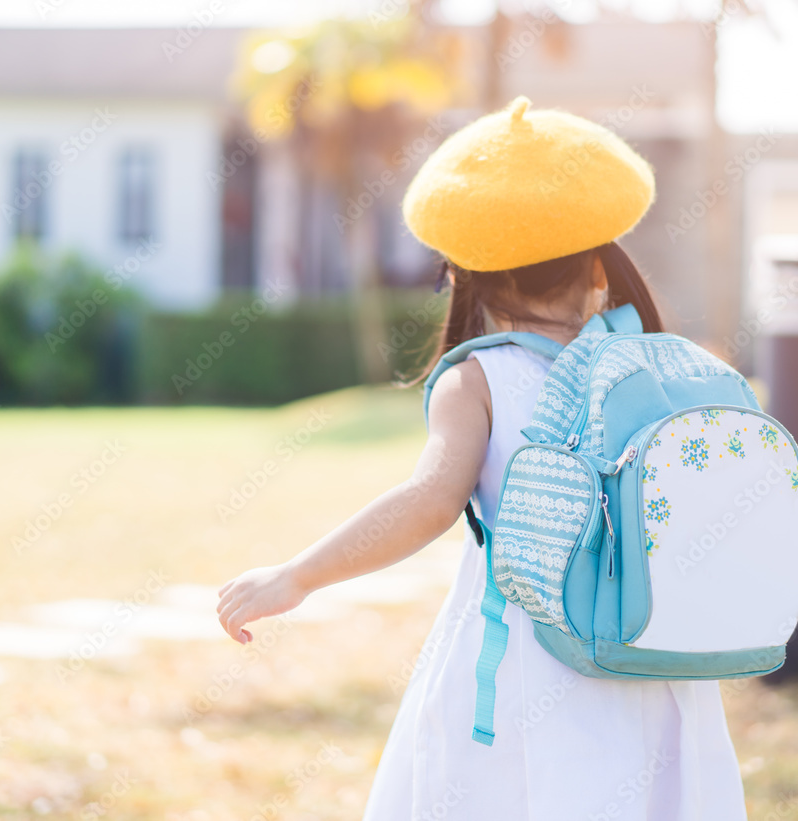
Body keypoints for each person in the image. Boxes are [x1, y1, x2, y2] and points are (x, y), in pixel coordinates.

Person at [216, 96, 748, 820]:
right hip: (654, 650)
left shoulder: (481, 377)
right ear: (598, 266)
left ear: (466, 273)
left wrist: (296, 575)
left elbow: (429, 501)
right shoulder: (651, 368)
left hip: (534, 655)